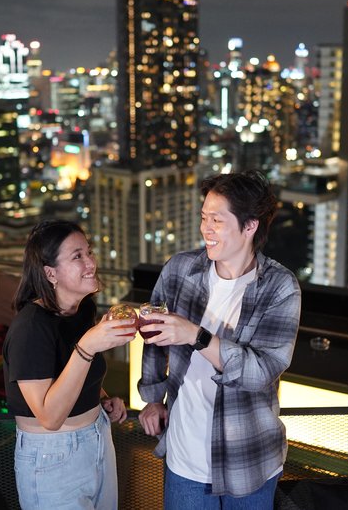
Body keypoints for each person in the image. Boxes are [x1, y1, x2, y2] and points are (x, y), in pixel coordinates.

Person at [138, 170, 301, 508]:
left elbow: (261, 372)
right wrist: (153, 397)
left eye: (217, 220)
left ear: (250, 225)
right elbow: (153, 334)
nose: (205, 229)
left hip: (250, 458)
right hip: (185, 458)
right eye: (203, 217)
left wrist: (195, 335)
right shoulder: (180, 269)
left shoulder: (280, 288)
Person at [3, 220, 136, 509]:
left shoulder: (81, 308)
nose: (91, 263)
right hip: (52, 456)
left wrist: (101, 399)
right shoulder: (31, 327)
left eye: (89, 252)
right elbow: (49, 417)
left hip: (98, 436)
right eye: (78, 256)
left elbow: (72, 374)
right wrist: (88, 345)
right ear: (50, 273)